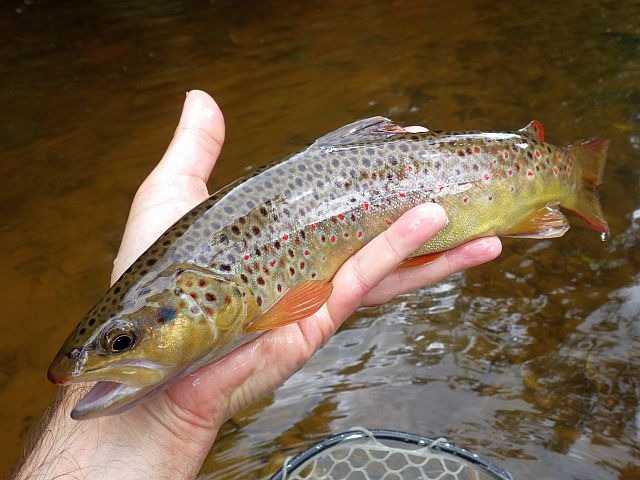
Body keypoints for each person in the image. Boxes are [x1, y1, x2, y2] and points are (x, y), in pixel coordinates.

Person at [12, 91, 502, 480]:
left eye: (122, 342)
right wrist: (167, 423)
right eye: (122, 341)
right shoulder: (195, 282)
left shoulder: (218, 292)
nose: (74, 381)